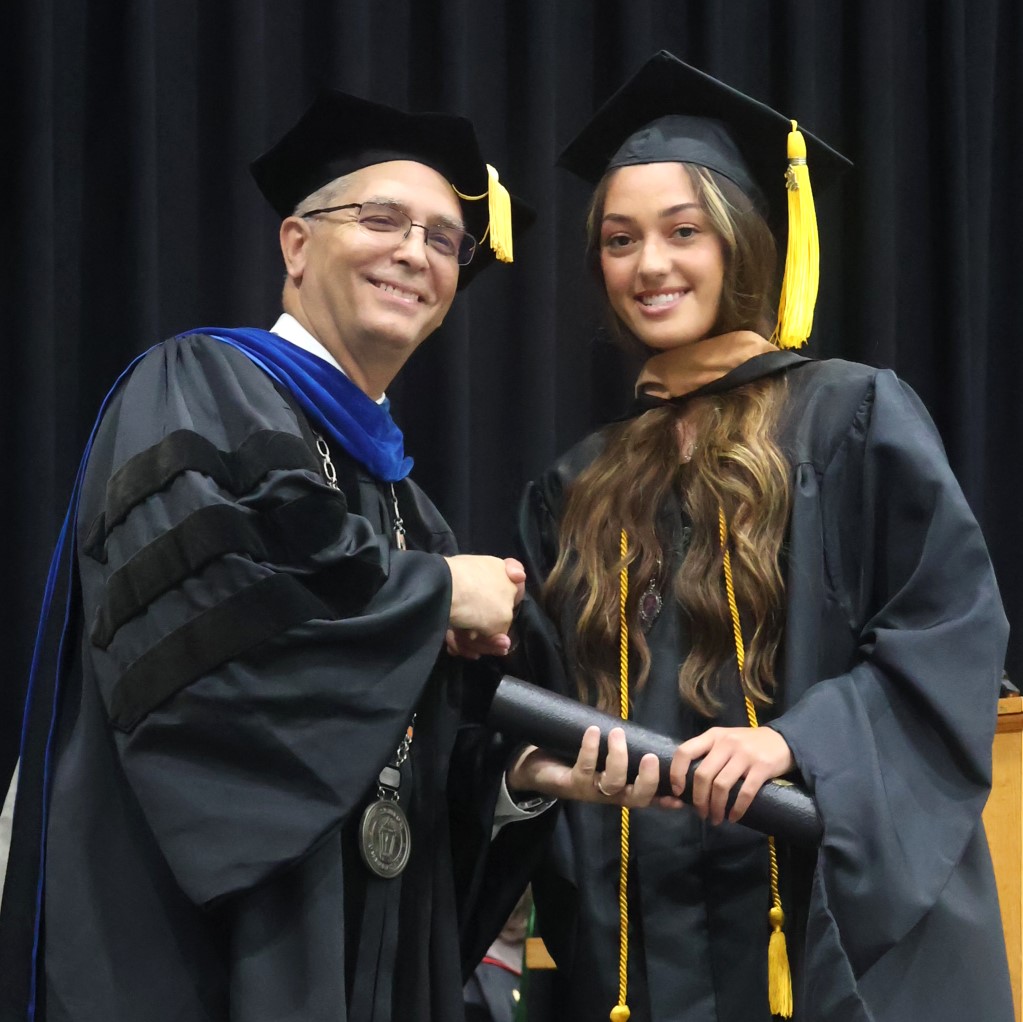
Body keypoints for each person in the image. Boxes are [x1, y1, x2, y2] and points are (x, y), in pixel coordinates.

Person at [0, 89, 552, 1022]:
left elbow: (403, 764)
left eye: (445, 239)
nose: (414, 252)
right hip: (189, 953)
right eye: (381, 219)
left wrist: (514, 780)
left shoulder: (410, 507)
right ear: (296, 245)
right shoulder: (199, 387)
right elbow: (217, 638)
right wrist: (434, 598)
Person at [505, 51, 1014, 1021]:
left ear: (741, 237)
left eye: (682, 230)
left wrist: (794, 741)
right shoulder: (576, 483)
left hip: (826, 924)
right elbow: (530, 702)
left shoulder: (851, 418)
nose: (650, 264)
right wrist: (537, 768)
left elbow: (948, 632)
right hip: (639, 954)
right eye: (620, 239)